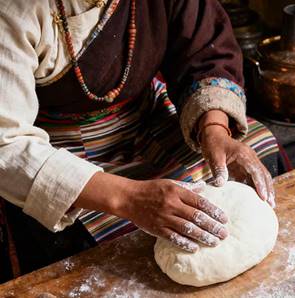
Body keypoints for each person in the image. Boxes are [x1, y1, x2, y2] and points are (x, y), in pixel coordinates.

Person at [0, 0, 280, 277]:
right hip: (57, 147)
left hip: (150, 115)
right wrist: (129, 199)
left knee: (260, 147)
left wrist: (215, 129)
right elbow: (6, 144)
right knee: (94, 243)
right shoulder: (12, 11)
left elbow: (203, 51)